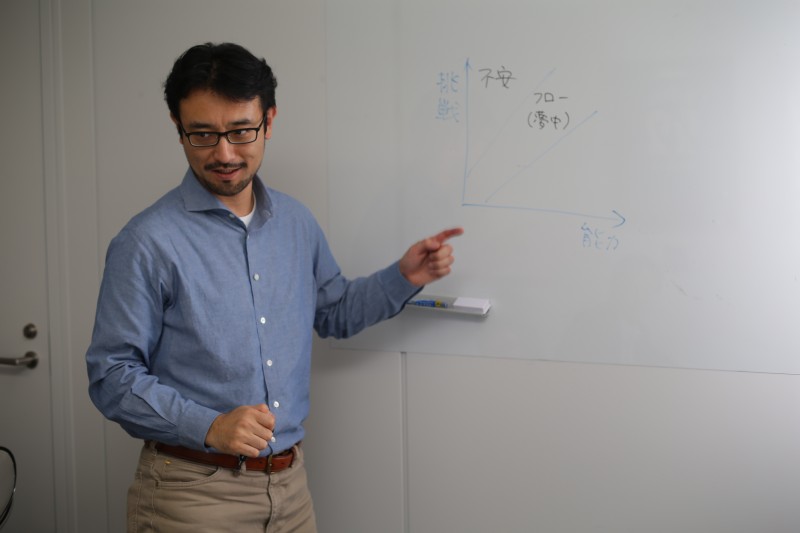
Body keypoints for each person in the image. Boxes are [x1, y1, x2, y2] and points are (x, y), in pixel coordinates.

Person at [85, 42, 462, 532]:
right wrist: (211, 425)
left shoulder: (296, 223)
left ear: (269, 120)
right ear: (178, 129)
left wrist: (405, 276)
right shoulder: (146, 241)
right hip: (192, 496)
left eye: (241, 131)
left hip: (290, 487)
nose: (224, 153)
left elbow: (334, 312)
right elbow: (111, 375)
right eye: (202, 134)